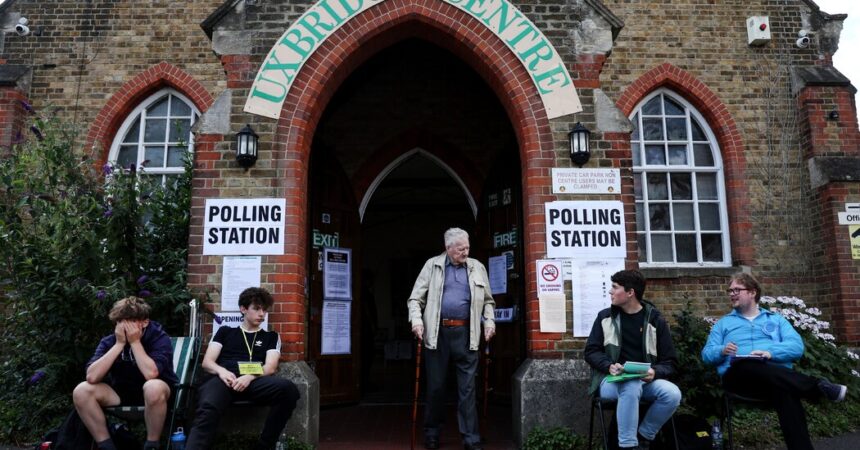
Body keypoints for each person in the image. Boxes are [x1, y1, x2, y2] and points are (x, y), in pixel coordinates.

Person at [701, 273, 847, 450]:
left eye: (737, 290)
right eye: (730, 290)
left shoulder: (776, 320)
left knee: (785, 391)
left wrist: (770, 353)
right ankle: (817, 387)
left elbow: (796, 347)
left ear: (753, 292)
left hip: (774, 379)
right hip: (739, 379)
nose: (732, 294)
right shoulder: (723, 324)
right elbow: (706, 355)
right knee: (747, 363)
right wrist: (721, 350)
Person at [408, 227, 496, 450]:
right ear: (448, 249)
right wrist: (417, 321)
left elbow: (488, 301)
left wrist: (490, 322)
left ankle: (471, 438)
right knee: (436, 387)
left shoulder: (477, 267)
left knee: (468, 389)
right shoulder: (432, 266)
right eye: (460, 249)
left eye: (467, 247)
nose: (465, 252)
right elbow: (415, 299)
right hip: (437, 335)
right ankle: (432, 433)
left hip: (468, 334)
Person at [186, 287, 300, 450]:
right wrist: (222, 372)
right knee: (208, 406)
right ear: (243, 309)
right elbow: (207, 363)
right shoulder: (225, 332)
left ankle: (264, 445)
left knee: (289, 390)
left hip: (254, 381)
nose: (262, 314)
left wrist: (250, 376)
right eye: (256, 308)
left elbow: (270, 367)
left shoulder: (270, 337)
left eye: (264, 310)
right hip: (224, 379)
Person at [584, 270, 681, 450]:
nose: (610, 291)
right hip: (610, 381)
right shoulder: (605, 317)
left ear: (630, 293)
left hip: (644, 382)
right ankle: (627, 445)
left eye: (615, 287)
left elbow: (670, 362)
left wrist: (655, 372)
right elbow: (591, 351)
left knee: (672, 393)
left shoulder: (655, 319)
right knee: (631, 384)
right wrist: (609, 366)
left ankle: (643, 436)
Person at [73, 296, 177, 450]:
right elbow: (92, 376)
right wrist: (119, 344)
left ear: (144, 322)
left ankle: (152, 445)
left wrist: (135, 342)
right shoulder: (110, 341)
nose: (125, 326)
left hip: (158, 395)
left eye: (130, 321)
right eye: (120, 322)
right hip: (121, 394)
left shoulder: (159, 337)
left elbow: (151, 374)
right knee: (82, 390)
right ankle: (106, 446)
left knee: (152, 387)